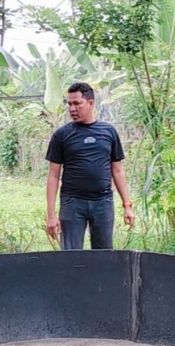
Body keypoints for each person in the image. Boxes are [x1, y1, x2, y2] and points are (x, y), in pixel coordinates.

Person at [45, 82, 134, 250]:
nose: (72, 108)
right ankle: (73, 278)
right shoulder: (61, 135)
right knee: (71, 257)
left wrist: (127, 206)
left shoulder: (109, 132)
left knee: (104, 257)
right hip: (72, 203)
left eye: (77, 103)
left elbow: (118, 171)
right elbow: (53, 175)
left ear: (91, 103)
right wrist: (51, 215)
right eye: (69, 104)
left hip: (103, 202)